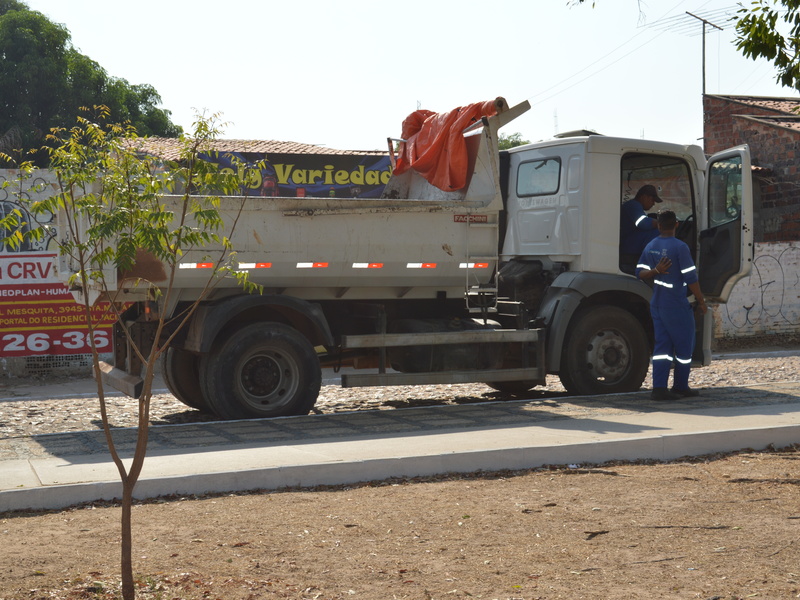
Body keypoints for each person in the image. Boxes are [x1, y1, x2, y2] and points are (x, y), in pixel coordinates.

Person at [636, 209, 708, 401]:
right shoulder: (680, 247)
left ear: (659, 225)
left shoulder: (651, 245)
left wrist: (655, 271)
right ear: (676, 224)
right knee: (685, 347)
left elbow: (640, 273)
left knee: (662, 348)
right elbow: (691, 278)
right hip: (676, 305)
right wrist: (701, 301)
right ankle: (680, 387)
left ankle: (659, 389)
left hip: (657, 304)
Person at [620, 184, 662, 273]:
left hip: (628, 243)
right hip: (627, 246)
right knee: (656, 231)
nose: (653, 203)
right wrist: (662, 223)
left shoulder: (634, 206)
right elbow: (643, 223)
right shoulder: (633, 205)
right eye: (652, 200)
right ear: (644, 197)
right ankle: (650, 264)